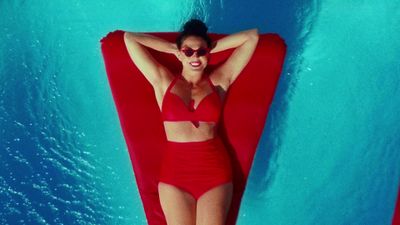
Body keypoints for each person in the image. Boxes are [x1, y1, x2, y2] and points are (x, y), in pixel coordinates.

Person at [123, 19, 258, 225]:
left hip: (214, 173)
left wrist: (208, 47)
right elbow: (130, 39)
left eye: (201, 52)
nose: (195, 57)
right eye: (188, 52)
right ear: (180, 53)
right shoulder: (163, 82)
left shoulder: (219, 81)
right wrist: (173, 48)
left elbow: (252, 36)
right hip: (175, 176)